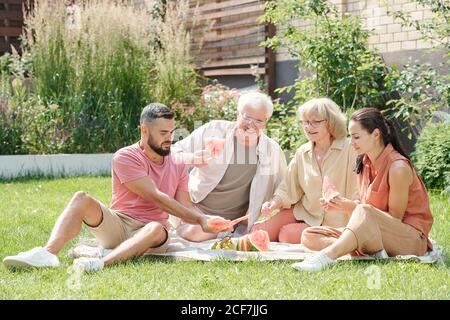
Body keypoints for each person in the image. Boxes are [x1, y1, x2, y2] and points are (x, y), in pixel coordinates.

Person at [3, 103, 226, 272]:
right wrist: (199, 221)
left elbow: (185, 204)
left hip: (150, 233)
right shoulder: (126, 157)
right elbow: (155, 196)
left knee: (157, 228)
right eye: (163, 133)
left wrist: (209, 219)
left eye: (171, 132)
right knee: (81, 198)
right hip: (119, 224)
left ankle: (100, 264)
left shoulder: (177, 162)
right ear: (144, 131)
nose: (169, 139)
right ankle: (48, 253)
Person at [293, 107, 434, 272]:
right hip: (375, 234)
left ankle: (327, 256)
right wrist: (345, 206)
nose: (351, 143)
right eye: (350, 137)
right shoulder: (364, 162)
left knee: (363, 210)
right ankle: (372, 251)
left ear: (375, 135)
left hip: (408, 239)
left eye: (356, 137)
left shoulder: (398, 168)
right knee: (309, 235)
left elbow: (395, 219)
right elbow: (366, 211)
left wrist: (354, 208)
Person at [170, 91, 287, 241]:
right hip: (194, 209)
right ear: (238, 114)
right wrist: (191, 158)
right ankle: (199, 228)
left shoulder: (272, 150)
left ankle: (221, 231)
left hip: (232, 221)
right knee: (195, 232)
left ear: (266, 122)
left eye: (258, 121)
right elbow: (172, 153)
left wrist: (275, 207)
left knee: (200, 233)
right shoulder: (213, 130)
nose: (251, 125)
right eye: (246, 117)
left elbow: (284, 188)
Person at [252, 98, 358, 243]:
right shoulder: (302, 152)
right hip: (305, 212)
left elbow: (357, 192)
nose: (309, 127)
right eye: (305, 122)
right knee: (257, 232)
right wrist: (274, 203)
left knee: (286, 235)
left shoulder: (349, 149)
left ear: (331, 122)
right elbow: (288, 188)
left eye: (315, 122)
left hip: (337, 221)